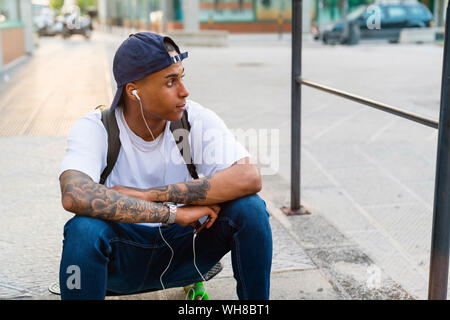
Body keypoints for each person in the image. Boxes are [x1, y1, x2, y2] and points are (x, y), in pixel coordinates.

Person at [58, 32, 273, 300]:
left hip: (184, 252)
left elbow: (249, 177)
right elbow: (74, 194)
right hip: (122, 261)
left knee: (250, 209)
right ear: (133, 91)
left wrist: (153, 196)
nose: (184, 90)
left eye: (181, 77)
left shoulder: (193, 118)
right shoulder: (96, 127)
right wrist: (173, 214)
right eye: (171, 81)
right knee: (83, 231)